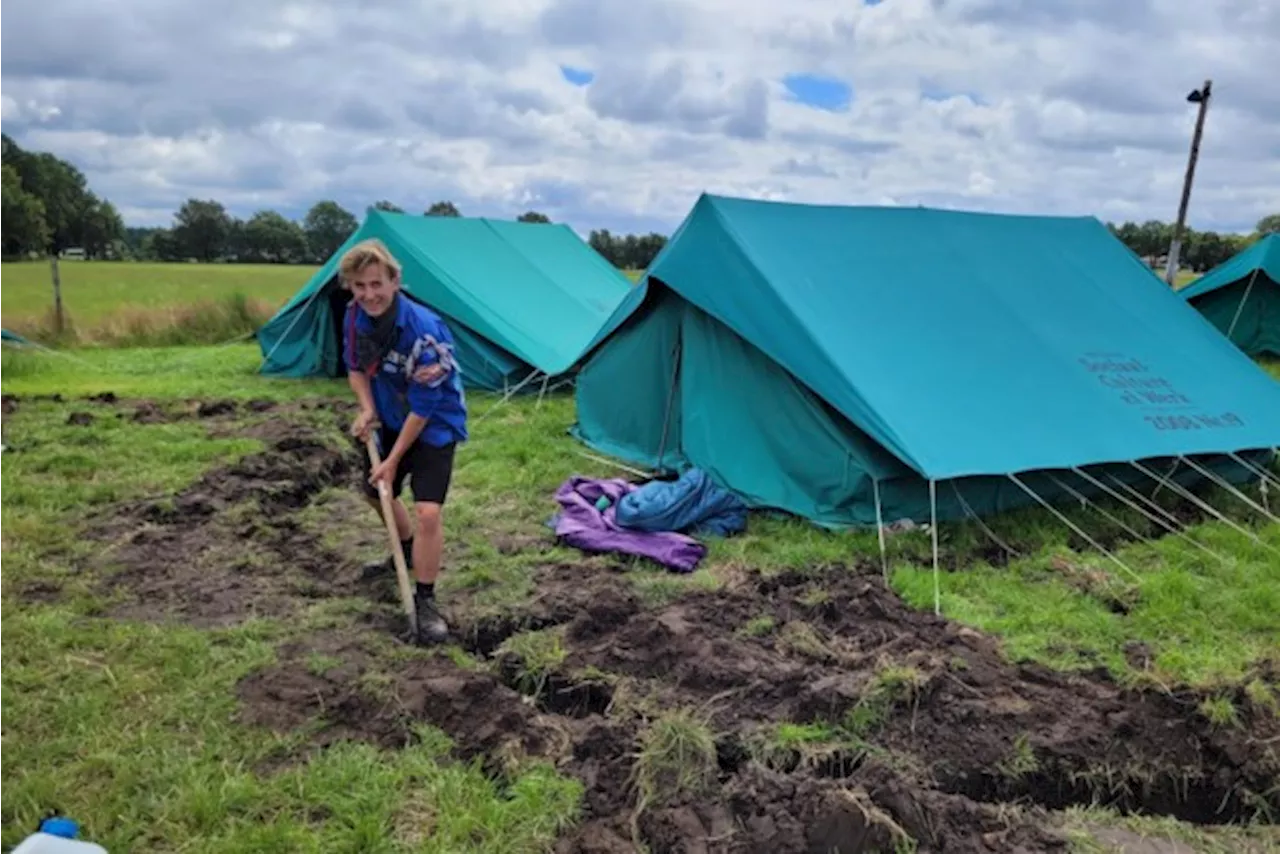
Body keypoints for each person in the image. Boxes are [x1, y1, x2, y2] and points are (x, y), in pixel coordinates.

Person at [339, 237, 467, 644]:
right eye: (360, 286)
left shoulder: (425, 332)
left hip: (433, 422)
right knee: (376, 491)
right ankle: (406, 549)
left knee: (428, 511)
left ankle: (426, 600)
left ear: (395, 281)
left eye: (377, 284)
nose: (369, 294)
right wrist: (366, 410)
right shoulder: (354, 316)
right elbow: (356, 368)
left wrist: (393, 460)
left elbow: (425, 406)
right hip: (390, 415)